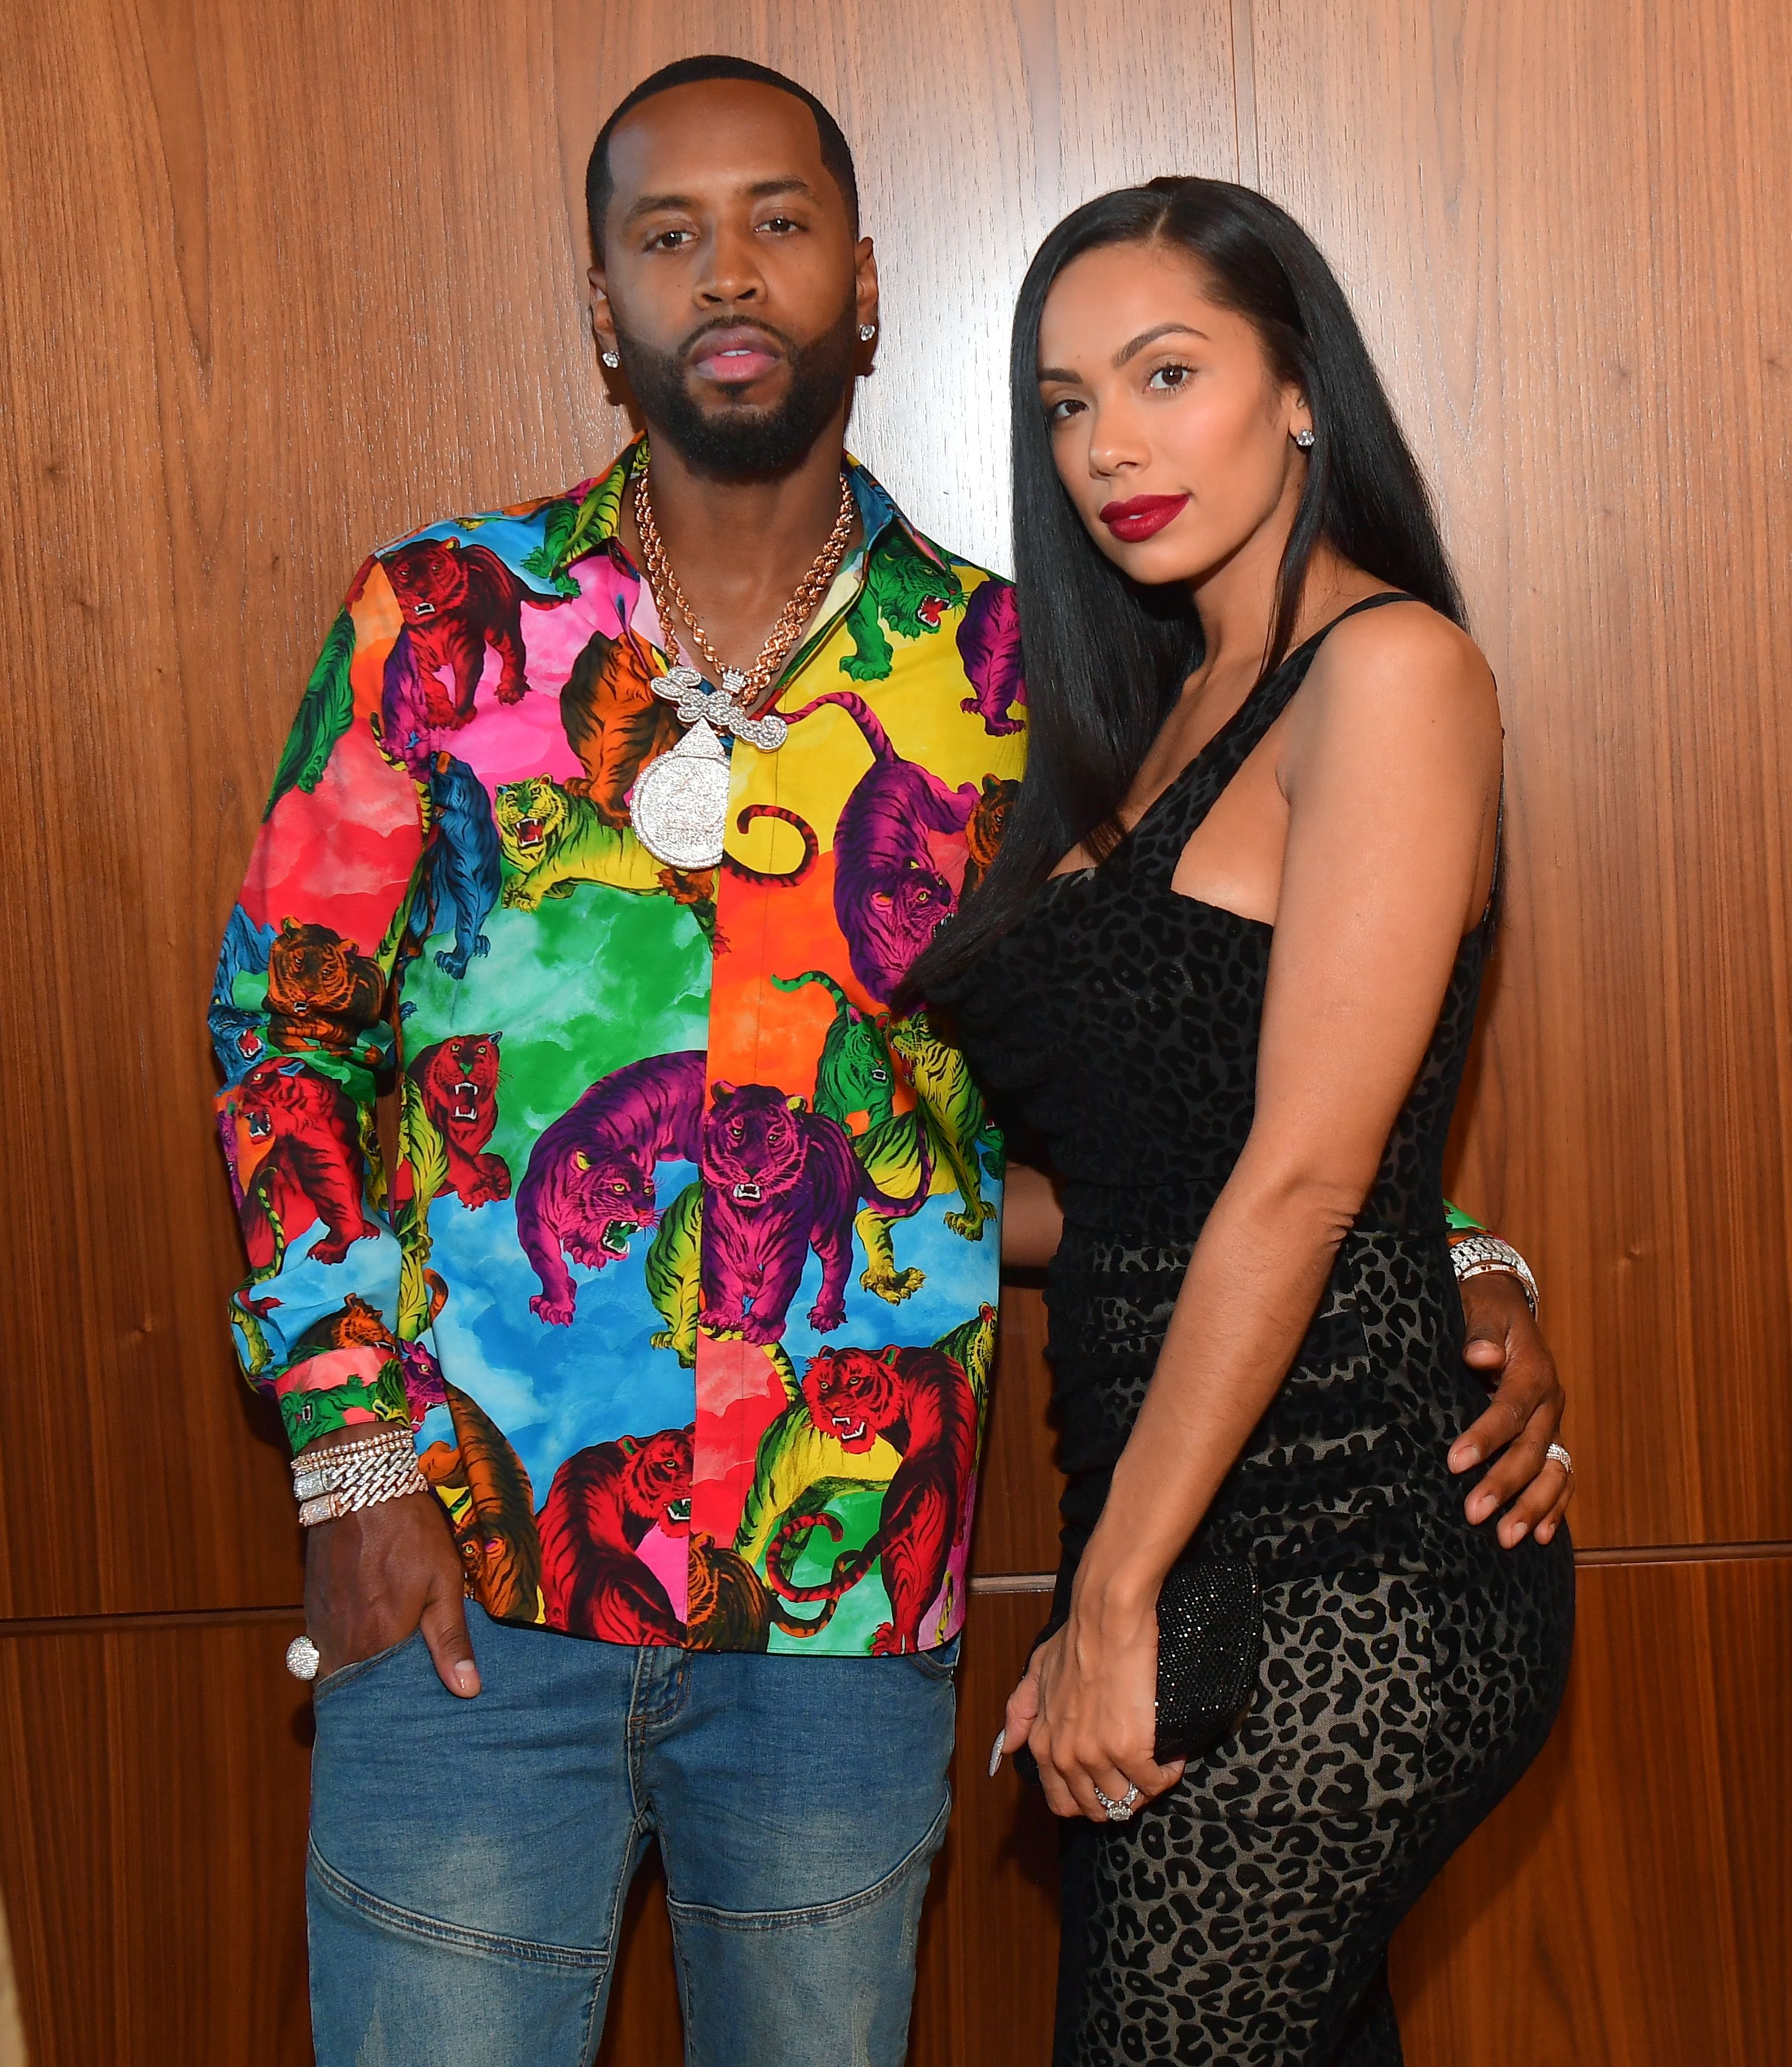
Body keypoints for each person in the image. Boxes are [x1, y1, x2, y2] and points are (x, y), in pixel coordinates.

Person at [209, 58, 1570, 2067]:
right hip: (464, 1574)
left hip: (843, 1599)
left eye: (778, 222)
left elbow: (1187, 1063)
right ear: (604, 309)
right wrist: (345, 1450)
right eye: (666, 237)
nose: (726, 273)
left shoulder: (1030, 685)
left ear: (865, 286)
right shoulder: (437, 625)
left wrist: (1456, 1255)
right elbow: (284, 1031)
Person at [921, 178, 1577, 2065]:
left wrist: (1107, 1598)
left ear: (1300, 390)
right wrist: (884, 1221)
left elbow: (1304, 1178)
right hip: (1191, 1521)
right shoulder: (1148, 705)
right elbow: (1140, 1192)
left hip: (1348, 1549)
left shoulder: (1387, 671)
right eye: (1063, 402)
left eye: (1163, 372)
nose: (1108, 444)